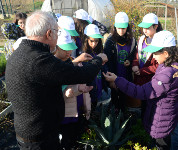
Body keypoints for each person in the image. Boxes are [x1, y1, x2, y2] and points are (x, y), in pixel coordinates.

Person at [5, 11, 107, 150]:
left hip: (28, 131)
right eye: (57, 32)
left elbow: (56, 72)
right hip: (40, 139)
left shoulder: (21, 53)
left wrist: (75, 63)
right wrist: (98, 59)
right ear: (49, 34)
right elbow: (83, 74)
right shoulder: (39, 60)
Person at [104, 30, 178, 150]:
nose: (153, 56)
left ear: (166, 53)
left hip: (161, 120)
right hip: (164, 115)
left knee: (161, 145)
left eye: (155, 53)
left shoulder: (167, 75)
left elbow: (140, 92)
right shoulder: (173, 64)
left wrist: (117, 80)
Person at [54, 29, 92, 149]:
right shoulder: (53, 66)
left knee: (74, 139)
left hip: (76, 111)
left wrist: (87, 107)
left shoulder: (72, 61)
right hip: (64, 115)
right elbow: (56, 92)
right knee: (65, 141)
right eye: (64, 49)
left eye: (70, 48)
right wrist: (73, 91)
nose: (68, 52)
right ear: (56, 47)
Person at [104, 12, 137, 111]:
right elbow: (107, 62)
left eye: (123, 28)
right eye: (119, 28)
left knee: (124, 99)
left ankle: (123, 115)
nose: (121, 30)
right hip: (114, 75)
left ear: (127, 27)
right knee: (114, 100)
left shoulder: (132, 40)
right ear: (114, 27)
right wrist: (111, 79)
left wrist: (129, 60)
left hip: (126, 76)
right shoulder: (110, 41)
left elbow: (134, 55)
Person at [132, 13, 162, 118]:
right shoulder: (141, 39)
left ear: (156, 27)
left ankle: (148, 122)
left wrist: (143, 70)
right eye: (143, 27)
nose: (144, 30)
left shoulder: (160, 43)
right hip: (139, 76)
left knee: (150, 102)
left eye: (148, 28)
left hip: (150, 79)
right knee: (142, 100)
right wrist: (135, 64)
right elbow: (137, 54)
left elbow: (159, 65)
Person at [82, 24, 110, 106]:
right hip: (89, 91)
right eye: (91, 41)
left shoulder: (100, 52)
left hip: (100, 87)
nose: (94, 44)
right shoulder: (83, 55)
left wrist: (106, 72)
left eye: (96, 41)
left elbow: (104, 67)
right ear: (86, 39)